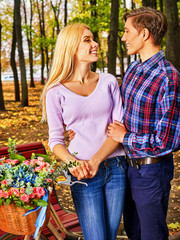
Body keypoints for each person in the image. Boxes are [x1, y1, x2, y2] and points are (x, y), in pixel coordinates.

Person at [41, 23, 127, 240]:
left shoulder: (108, 81)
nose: (95, 44)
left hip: (116, 167)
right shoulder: (55, 92)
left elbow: (119, 129)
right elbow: (55, 140)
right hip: (83, 174)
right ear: (71, 48)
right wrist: (72, 163)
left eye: (93, 39)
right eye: (87, 40)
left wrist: (97, 160)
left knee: (109, 235)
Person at [107, 7, 180, 240]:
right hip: (127, 166)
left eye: (127, 31)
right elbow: (120, 114)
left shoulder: (168, 76)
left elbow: (168, 141)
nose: (123, 37)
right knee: (134, 231)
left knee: (151, 235)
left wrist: (124, 138)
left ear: (145, 34)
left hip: (151, 170)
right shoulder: (133, 69)